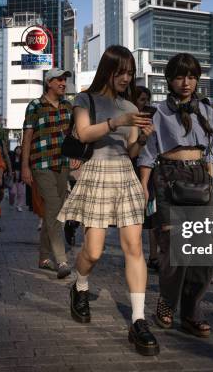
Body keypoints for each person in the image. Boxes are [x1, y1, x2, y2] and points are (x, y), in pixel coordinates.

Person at [138, 53, 213, 339]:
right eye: (179, 76)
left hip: (201, 179)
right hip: (169, 178)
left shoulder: (208, 111)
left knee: (203, 253)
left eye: (191, 76)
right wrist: (142, 186)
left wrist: (211, 177)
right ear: (170, 80)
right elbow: (149, 154)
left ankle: (191, 311)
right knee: (174, 249)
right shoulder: (159, 112)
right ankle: (166, 301)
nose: (186, 82)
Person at [57, 45, 159, 356]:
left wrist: (141, 137)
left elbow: (131, 152)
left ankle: (138, 320)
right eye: (121, 72)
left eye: (130, 73)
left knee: (134, 247)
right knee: (94, 250)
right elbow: (84, 133)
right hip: (97, 173)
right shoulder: (84, 99)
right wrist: (118, 121)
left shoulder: (129, 104)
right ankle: (80, 285)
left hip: (124, 175)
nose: (126, 78)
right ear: (108, 70)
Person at [21, 68, 79, 279]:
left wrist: (76, 155)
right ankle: (61, 260)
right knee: (54, 209)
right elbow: (27, 137)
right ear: (49, 83)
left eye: (65, 80)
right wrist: (24, 166)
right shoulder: (35, 106)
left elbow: (74, 135)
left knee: (53, 212)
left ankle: (44, 257)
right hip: (41, 164)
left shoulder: (68, 106)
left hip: (62, 164)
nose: (63, 83)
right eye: (60, 80)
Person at [132, 86, 159, 271]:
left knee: (152, 214)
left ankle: (154, 255)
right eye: (141, 99)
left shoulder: (152, 119)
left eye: (146, 100)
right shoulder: (128, 121)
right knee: (135, 216)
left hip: (149, 171)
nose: (145, 103)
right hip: (132, 170)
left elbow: (151, 150)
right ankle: (135, 253)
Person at [8, 146, 25, 211]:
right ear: (15, 150)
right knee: (13, 192)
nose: (18, 151)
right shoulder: (12, 157)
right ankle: (11, 201)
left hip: (21, 177)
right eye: (17, 149)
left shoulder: (23, 159)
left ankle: (19, 205)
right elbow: (9, 165)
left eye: (20, 150)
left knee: (21, 193)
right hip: (13, 177)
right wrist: (10, 172)